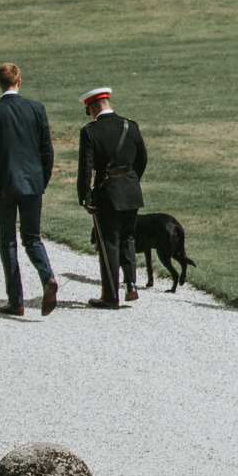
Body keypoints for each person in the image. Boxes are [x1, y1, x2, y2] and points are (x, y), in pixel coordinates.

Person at [0, 62, 58, 317]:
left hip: (3, 184)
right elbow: (47, 150)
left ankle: (16, 300)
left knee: (8, 239)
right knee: (32, 237)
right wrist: (41, 180)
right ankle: (47, 277)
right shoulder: (36, 109)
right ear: (19, 81)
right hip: (32, 183)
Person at [75, 85, 146, 309]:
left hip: (108, 193)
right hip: (131, 189)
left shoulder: (90, 132)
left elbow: (85, 168)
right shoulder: (130, 126)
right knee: (128, 237)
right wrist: (132, 180)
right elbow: (142, 159)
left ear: (94, 108)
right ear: (109, 104)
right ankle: (131, 283)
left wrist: (84, 196)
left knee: (109, 243)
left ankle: (110, 295)